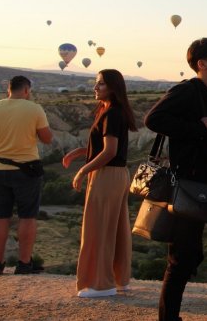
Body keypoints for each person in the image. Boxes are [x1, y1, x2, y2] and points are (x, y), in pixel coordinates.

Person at [145, 37, 207, 321]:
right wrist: (197, 128)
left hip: (200, 185)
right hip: (188, 184)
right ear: (202, 64)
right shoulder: (188, 90)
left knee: (189, 255)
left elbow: (202, 134)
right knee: (181, 258)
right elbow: (153, 119)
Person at [63, 69, 136, 298]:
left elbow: (110, 151)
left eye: (101, 84)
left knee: (99, 228)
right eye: (96, 83)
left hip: (107, 175)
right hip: (117, 174)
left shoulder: (112, 114)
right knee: (116, 228)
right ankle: (118, 280)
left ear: (113, 88)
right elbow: (109, 149)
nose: (95, 88)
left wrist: (82, 171)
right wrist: (81, 151)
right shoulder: (113, 112)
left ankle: (100, 285)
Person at [0, 76, 52, 275]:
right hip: (26, 171)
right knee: (27, 217)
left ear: (8, 89)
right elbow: (46, 139)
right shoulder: (34, 109)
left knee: (0, 218)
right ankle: (24, 263)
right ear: (27, 90)